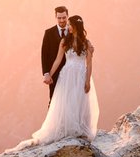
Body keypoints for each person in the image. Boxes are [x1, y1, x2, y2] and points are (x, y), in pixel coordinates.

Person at [25, 14, 99, 146]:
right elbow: (58, 60)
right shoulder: (65, 41)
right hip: (67, 75)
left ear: (76, 26)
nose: (68, 27)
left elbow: (89, 64)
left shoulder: (87, 43)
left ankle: (81, 128)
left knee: (80, 100)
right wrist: (50, 75)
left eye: (70, 25)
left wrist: (87, 81)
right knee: (68, 100)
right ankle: (67, 129)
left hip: (81, 74)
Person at [41, 5, 69, 100]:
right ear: (55, 17)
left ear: (67, 16)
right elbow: (44, 54)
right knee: (54, 101)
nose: (61, 20)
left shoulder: (73, 31)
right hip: (54, 74)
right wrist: (46, 73)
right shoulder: (48, 33)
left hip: (71, 73)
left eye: (64, 17)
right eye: (59, 18)